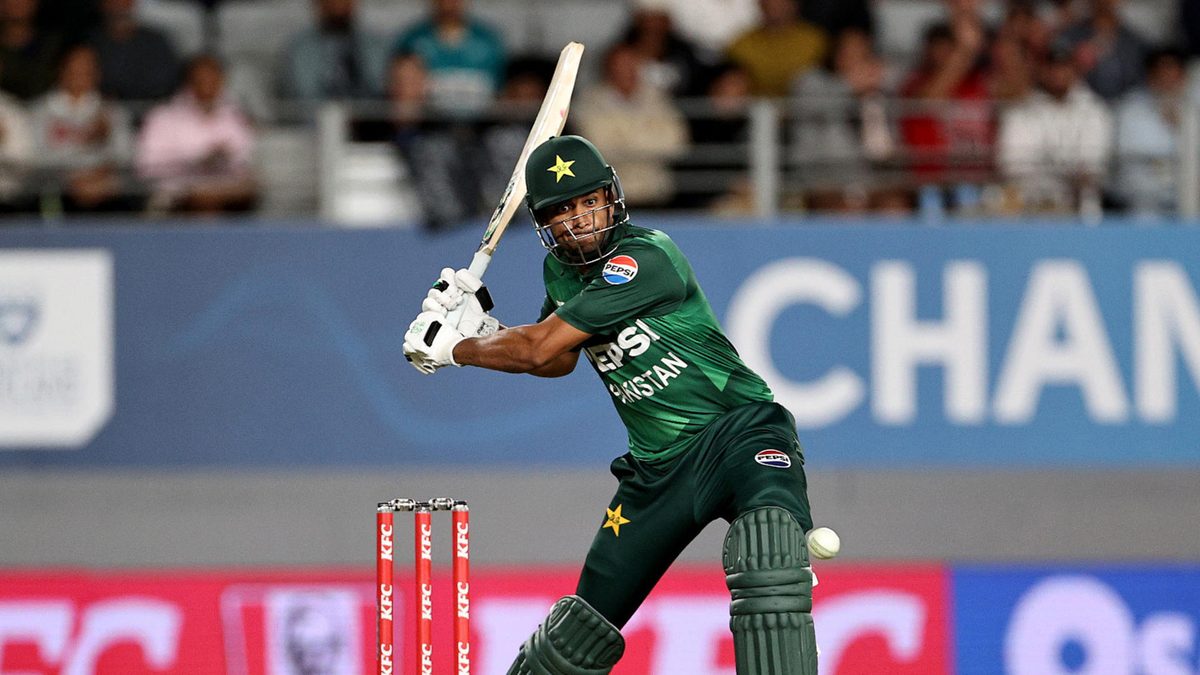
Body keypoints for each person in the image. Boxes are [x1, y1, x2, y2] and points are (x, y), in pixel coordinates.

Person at [403, 134, 820, 675]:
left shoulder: (647, 258)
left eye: (587, 202)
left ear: (610, 198)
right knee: (574, 636)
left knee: (770, 553)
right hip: (656, 473)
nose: (578, 219)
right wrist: (490, 330)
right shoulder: (561, 274)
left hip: (739, 435)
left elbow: (538, 350)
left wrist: (457, 347)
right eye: (562, 211)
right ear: (545, 224)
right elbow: (560, 358)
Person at [136, 54, 257, 214]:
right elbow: (146, 167)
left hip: (228, 194)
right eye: (201, 80)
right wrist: (196, 164)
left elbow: (246, 160)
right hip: (177, 196)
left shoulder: (236, 116)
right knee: (202, 199)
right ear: (188, 82)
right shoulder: (162, 118)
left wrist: (223, 162)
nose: (207, 86)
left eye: (214, 80)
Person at [31, 44, 138, 213]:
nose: (80, 73)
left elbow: (126, 156)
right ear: (61, 70)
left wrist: (99, 171)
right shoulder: (40, 112)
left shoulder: (112, 112)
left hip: (105, 190)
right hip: (59, 190)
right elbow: (35, 158)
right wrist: (73, 179)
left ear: (97, 73)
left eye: (88, 68)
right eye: (74, 67)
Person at [391, 0, 505, 116]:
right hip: (428, 126)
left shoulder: (488, 41)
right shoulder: (413, 41)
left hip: (483, 126)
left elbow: (502, 93)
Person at [279, 0, 389, 104]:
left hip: (369, 117)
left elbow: (382, 89)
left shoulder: (376, 45)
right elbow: (302, 94)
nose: (338, 4)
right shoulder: (299, 49)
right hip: (315, 119)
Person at [87, 0, 181, 103]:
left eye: (124, 1)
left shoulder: (155, 40)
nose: (118, 6)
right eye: (113, 1)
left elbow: (166, 81)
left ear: (132, 3)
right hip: (105, 106)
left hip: (152, 105)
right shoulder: (92, 42)